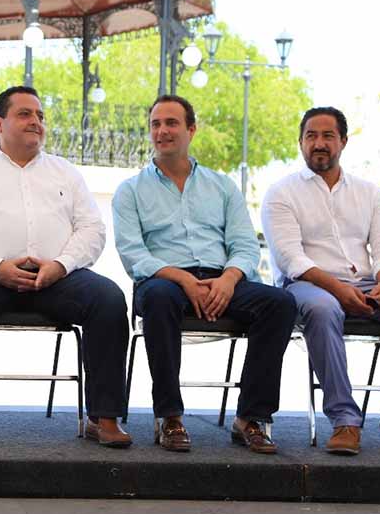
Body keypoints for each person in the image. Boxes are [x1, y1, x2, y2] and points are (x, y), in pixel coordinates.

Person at [0, 86, 132, 447]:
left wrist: (61, 265)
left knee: (109, 298)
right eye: (24, 114)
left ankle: (103, 417)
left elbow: (92, 229)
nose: (36, 122)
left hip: (56, 278)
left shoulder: (64, 172)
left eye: (40, 115)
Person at [113, 94, 295, 454]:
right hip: (164, 280)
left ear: (191, 130)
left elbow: (245, 245)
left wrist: (228, 279)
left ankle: (251, 418)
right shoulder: (130, 190)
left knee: (280, 303)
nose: (162, 131)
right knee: (159, 297)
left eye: (172, 123)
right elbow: (133, 254)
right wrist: (182, 279)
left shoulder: (222, 186)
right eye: (155, 124)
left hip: (221, 279)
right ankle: (170, 416)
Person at [262, 106, 380, 456]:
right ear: (300, 142)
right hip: (308, 286)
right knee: (323, 309)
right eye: (311, 136)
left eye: (328, 136)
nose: (319, 143)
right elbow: (291, 259)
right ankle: (345, 420)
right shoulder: (281, 192)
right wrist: (337, 289)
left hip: (367, 286)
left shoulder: (368, 192)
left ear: (343, 141)